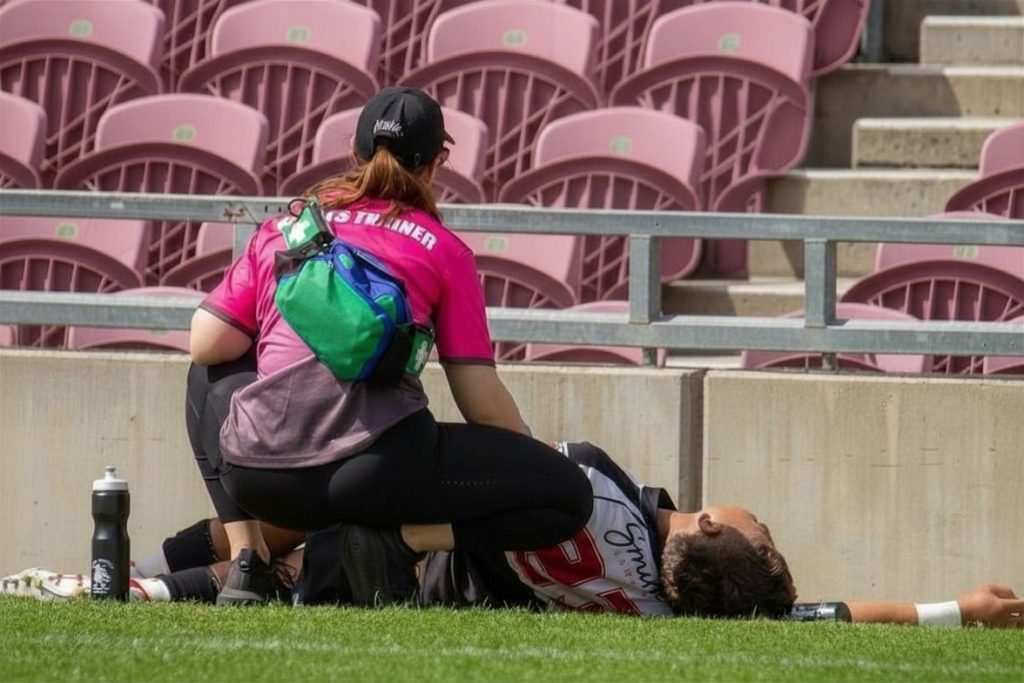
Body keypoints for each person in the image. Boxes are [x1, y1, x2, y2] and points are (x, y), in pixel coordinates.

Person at [185, 86, 593, 605]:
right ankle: (401, 542)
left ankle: (250, 558)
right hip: (376, 477)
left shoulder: (285, 229)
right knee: (568, 496)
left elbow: (207, 343)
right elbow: (478, 398)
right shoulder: (443, 249)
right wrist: (531, 461)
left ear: (354, 153)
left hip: (260, 481)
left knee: (207, 373)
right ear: (435, 164)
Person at [7, 443, 1020, 628]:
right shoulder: (670, 602)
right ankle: (127, 580)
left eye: (763, 525)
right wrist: (959, 612)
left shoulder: (606, 501)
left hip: (435, 554)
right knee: (292, 540)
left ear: (717, 523)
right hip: (455, 566)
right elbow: (839, 614)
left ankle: (126, 580)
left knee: (301, 533)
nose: (765, 514)